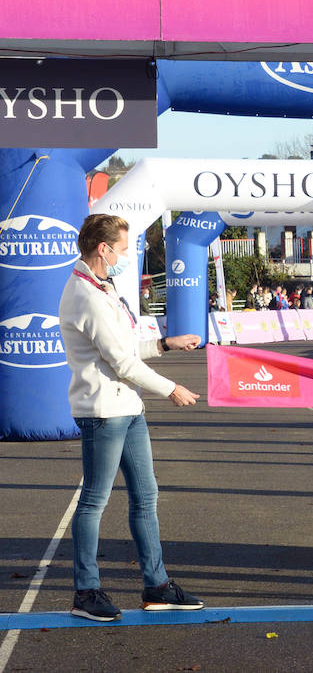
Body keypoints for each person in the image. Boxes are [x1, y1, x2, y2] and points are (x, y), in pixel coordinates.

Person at [58, 214, 205, 623]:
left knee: (146, 496)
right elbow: (121, 362)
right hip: (104, 412)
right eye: (122, 249)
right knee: (94, 501)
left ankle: (156, 586)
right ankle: (85, 592)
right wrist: (170, 388)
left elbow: (125, 348)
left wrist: (163, 343)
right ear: (103, 249)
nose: (125, 256)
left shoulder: (102, 287)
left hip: (128, 408)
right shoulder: (85, 295)